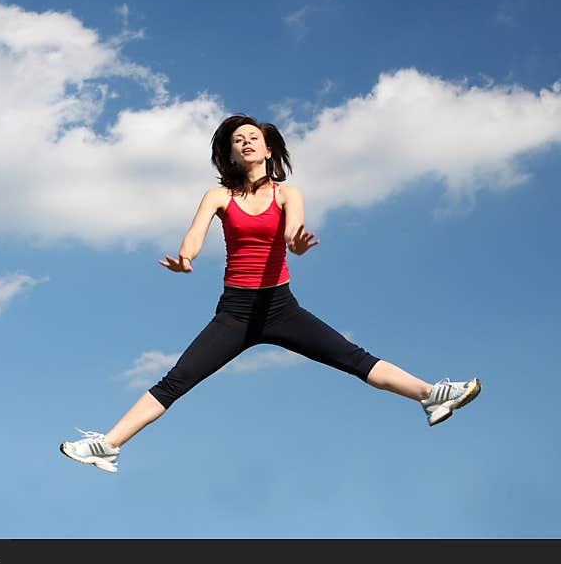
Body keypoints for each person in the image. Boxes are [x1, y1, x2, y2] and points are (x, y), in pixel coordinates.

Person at [60, 114, 481, 473]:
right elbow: (194, 235)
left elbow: (293, 229)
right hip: (236, 314)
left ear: (267, 149)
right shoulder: (219, 195)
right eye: (237, 140)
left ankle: (431, 395)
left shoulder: (287, 193)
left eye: (252, 138)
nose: (245, 143)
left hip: (281, 308)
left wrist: (296, 244)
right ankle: (108, 445)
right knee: (176, 381)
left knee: (354, 358)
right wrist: (185, 258)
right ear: (230, 153)